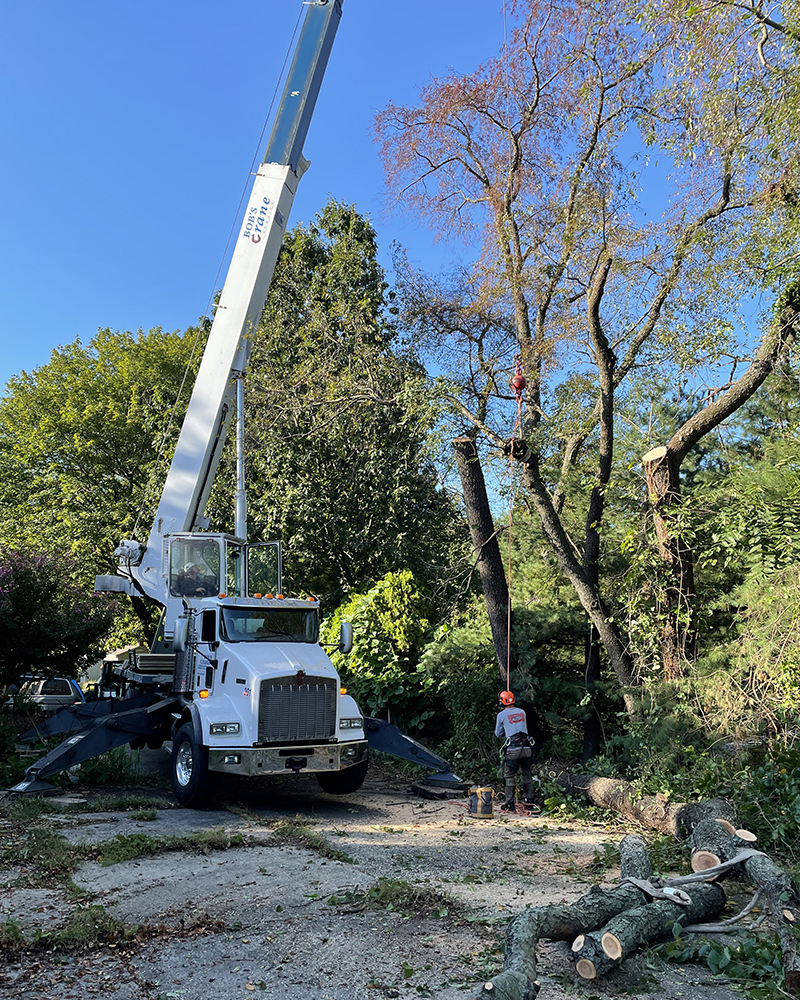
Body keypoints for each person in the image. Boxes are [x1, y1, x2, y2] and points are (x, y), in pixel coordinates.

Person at [495, 690, 537, 813]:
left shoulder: (501, 715)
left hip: (513, 749)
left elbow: (498, 734)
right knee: (526, 775)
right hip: (527, 748)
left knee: (509, 776)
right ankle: (529, 801)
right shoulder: (522, 712)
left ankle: (509, 803)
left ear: (502, 701)